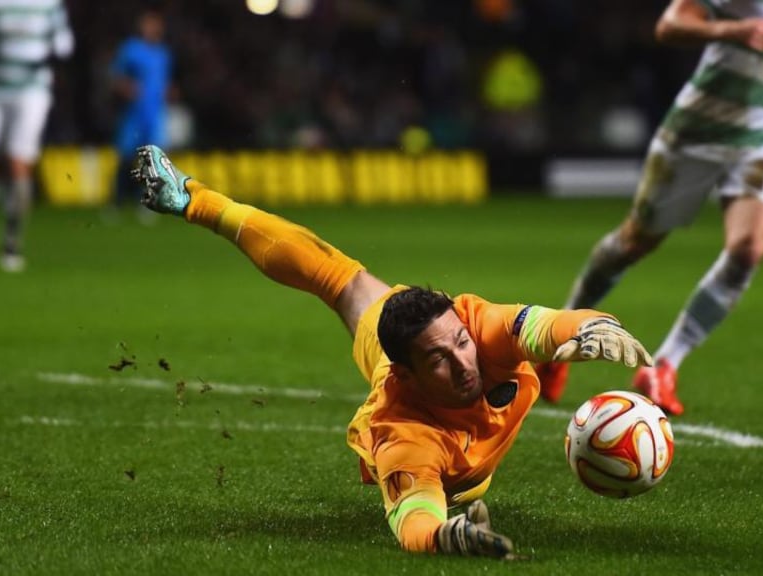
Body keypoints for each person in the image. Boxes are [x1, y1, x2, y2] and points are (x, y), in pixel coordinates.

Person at [131, 144, 652, 558]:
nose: (463, 362)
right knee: (346, 289)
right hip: (455, 476)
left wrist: (592, 327)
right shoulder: (401, 429)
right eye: (439, 361)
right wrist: (444, 536)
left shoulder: (471, 326)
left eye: (461, 345)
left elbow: (543, 326)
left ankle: (192, 198)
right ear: (405, 372)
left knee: (341, 277)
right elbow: (415, 520)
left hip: (409, 337)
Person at [535, 0, 763, 414]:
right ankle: (560, 339)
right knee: (635, 241)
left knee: (748, 251)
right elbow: (670, 25)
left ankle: (664, 365)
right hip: (697, 130)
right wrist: (731, 31)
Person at [0, 0, 74, 272]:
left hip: (32, 91)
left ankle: (11, 241)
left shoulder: (48, 4)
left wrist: (52, 51)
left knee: (18, 161)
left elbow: (64, 41)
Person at [109, 7, 173, 216]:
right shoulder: (131, 49)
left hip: (155, 115)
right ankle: (116, 202)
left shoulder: (164, 54)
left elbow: (164, 82)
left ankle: (147, 204)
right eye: (148, 25)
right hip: (134, 113)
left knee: (153, 160)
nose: (152, 29)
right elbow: (116, 77)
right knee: (127, 157)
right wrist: (126, 88)